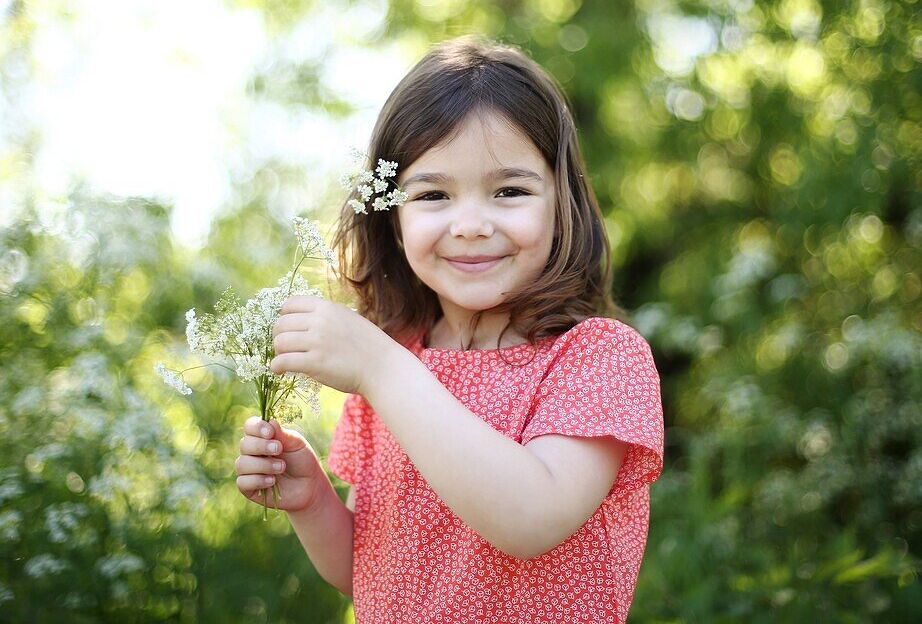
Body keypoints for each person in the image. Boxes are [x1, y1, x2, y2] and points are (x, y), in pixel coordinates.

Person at [234, 35, 665, 623]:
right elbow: (373, 574)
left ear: (562, 202)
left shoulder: (598, 358)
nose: (469, 225)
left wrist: (381, 369)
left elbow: (529, 518)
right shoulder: (400, 359)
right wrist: (311, 501)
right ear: (393, 219)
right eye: (433, 194)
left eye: (509, 191)